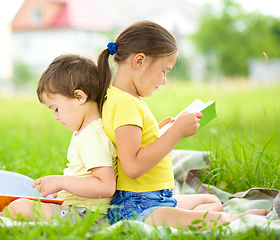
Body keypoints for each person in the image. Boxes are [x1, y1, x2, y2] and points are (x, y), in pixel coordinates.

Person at [98, 20, 268, 229]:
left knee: (212, 202)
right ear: (139, 61)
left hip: (156, 199)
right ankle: (230, 220)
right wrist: (176, 133)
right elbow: (132, 167)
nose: (164, 81)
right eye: (164, 71)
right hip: (138, 207)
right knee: (209, 217)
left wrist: (157, 132)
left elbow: (129, 142)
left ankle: (186, 220)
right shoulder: (126, 104)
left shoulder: (121, 99)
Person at [3, 54, 117, 222]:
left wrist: (62, 182)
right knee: (17, 204)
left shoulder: (93, 135)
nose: (55, 117)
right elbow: (83, 178)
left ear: (79, 97)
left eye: (56, 109)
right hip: (75, 208)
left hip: (88, 216)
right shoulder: (84, 132)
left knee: (20, 207)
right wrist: (63, 189)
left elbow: (106, 186)